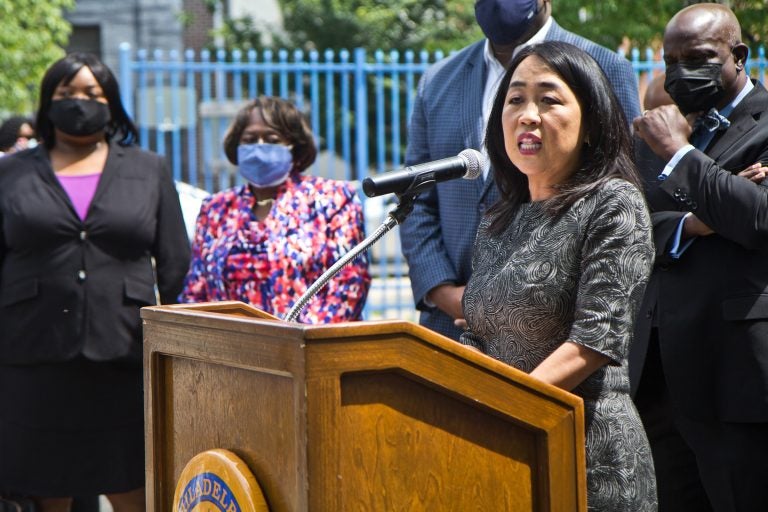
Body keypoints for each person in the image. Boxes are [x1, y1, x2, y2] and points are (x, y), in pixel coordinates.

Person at [460, 41, 656, 510]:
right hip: (507, 446)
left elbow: (593, 340)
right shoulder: (497, 221)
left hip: (590, 455)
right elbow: (480, 333)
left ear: (591, 124)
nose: (528, 115)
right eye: (515, 99)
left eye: (548, 99)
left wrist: (504, 407)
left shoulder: (613, 204)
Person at [0, 53, 191, 511]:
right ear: (48, 104)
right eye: (67, 94)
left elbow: (174, 259)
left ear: (112, 104)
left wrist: (168, 338)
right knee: (45, 486)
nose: (79, 103)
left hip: (123, 353)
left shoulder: (148, 168)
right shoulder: (11, 172)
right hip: (33, 353)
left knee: (132, 481)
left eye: (92, 94)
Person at [400, 0, 642, 341]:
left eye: (546, 100)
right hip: (449, 328)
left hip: (559, 334)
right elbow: (417, 198)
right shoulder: (438, 80)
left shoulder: (604, 65)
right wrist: (447, 294)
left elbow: (620, 174)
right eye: (515, 100)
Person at [630, 4, 768, 511]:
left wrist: (682, 157)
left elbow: (757, 218)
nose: (683, 71)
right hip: (660, 375)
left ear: (738, 56)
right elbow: (637, 225)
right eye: (672, 60)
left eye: (700, 57)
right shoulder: (657, 132)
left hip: (735, 379)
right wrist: (699, 220)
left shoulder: (762, 123)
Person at [179, 96, 371, 323]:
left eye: (271, 139)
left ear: (295, 147)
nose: (259, 147)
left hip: (308, 349)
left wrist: (292, 343)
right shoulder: (216, 210)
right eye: (250, 140)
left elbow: (348, 284)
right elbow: (196, 291)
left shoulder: (333, 202)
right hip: (227, 351)